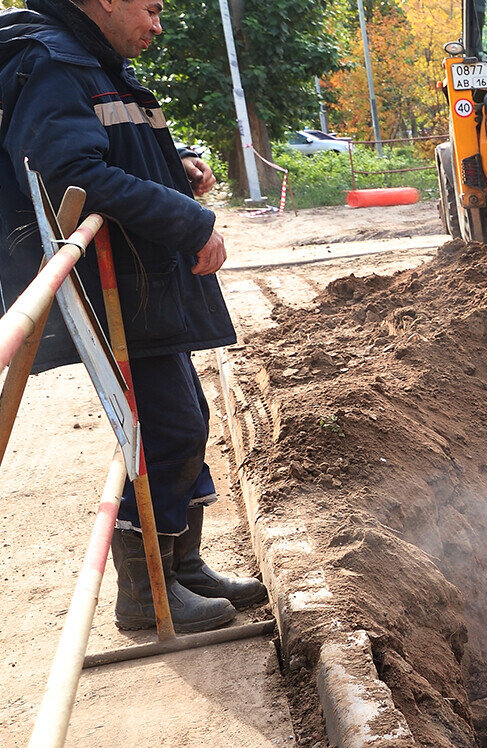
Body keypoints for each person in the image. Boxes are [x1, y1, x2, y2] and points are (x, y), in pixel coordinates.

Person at [0, 0, 266, 633]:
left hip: (140, 282)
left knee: (186, 419)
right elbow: (70, 172)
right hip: (111, 287)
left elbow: (114, 157)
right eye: (150, 8)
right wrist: (188, 220)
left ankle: (181, 565)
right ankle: (146, 592)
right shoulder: (51, 63)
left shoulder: (95, 65)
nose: (158, 22)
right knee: (166, 428)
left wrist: (175, 171)